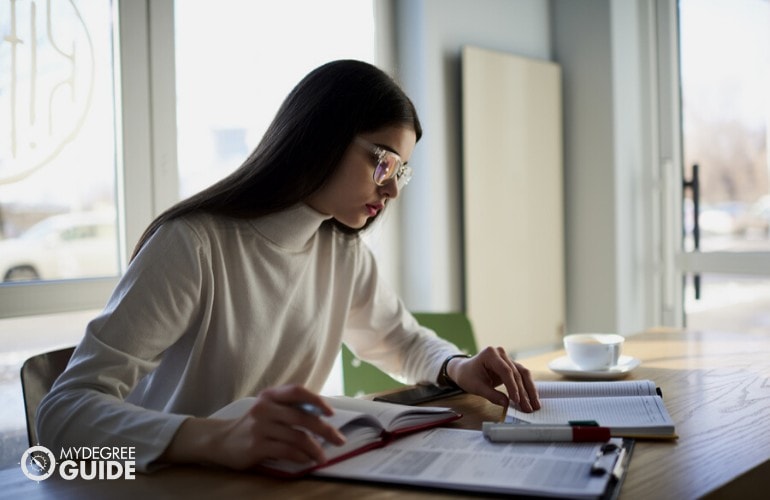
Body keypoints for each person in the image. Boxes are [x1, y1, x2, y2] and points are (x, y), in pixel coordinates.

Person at [37, 59, 540, 472]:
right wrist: (217, 438)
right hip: (171, 482)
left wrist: (457, 365)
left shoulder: (342, 253)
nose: (390, 188)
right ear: (322, 135)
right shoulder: (193, 245)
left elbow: (400, 340)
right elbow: (62, 415)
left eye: (400, 172)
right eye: (382, 161)